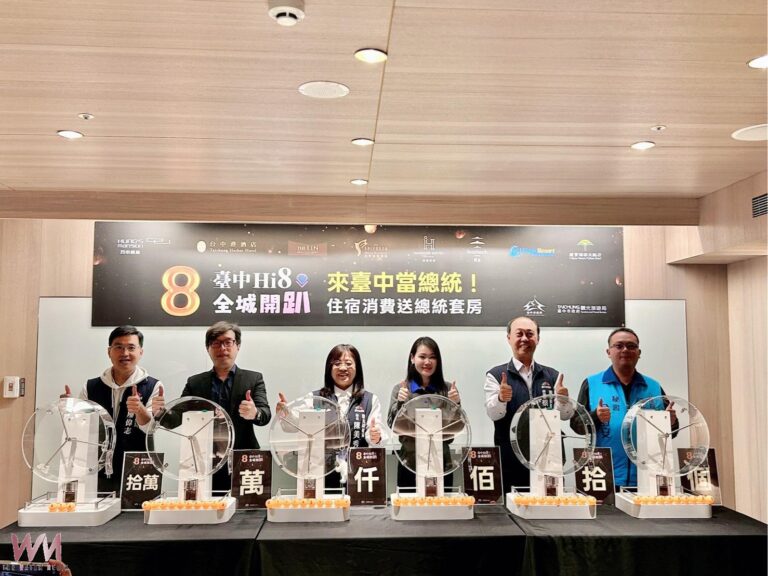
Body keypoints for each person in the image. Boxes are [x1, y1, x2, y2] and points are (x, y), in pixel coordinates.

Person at [157, 321, 271, 491]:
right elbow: (173, 421)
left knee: (247, 507)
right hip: (205, 460)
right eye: (216, 343)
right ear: (208, 348)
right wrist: (160, 412)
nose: (222, 348)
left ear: (238, 346)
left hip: (243, 456)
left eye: (228, 342)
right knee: (207, 505)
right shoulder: (195, 383)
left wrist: (254, 413)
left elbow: (265, 415)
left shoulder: (253, 379)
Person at [62, 325, 164, 494]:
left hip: (137, 465)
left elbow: (150, 429)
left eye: (131, 347)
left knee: (137, 511)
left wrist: (139, 410)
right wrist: (69, 411)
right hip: (96, 466)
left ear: (141, 352)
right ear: (109, 352)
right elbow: (80, 428)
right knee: (96, 508)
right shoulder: (91, 386)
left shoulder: (153, 385)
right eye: (119, 347)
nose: (125, 353)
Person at [575, 327, 676, 488]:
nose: (625, 350)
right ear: (608, 352)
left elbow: (671, 433)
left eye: (631, 346)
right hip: (603, 476)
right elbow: (576, 425)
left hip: (647, 477)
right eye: (619, 345)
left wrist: (671, 422)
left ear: (639, 352)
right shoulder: (592, 384)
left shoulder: (653, 387)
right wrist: (595, 417)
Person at [275, 344, 384, 489]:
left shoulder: (370, 400)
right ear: (329, 368)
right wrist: (286, 413)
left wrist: (376, 436)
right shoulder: (315, 398)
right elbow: (294, 424)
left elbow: (375, 432)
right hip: (322, 471)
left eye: (348, 363)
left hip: (358, 472)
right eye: (337, 363)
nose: (343, 368)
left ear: (357, 368)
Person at [484, 317, 568, 494]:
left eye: (530, 334)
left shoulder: (552, 375)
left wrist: (563, 401)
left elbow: (565, 415)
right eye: (519, 334)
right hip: (511, 458)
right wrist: (501, 399)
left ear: (538, 338)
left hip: (548, 458)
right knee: (513, 507)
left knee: (553, 506)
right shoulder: (496, 375)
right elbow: (493, 414)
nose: (524, 338)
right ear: (509, 338)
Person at [387, 337, 461, 491]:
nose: (427, 362)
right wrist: (400, 403)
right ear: (412, 358)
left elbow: (455, 428)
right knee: (409, 505)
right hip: (409, 461)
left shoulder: (447, 389)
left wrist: (456, 404)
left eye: (432, 357)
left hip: (442, 460)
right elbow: (393, 426)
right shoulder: (401, 389)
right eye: (422, 356)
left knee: (442, 504)